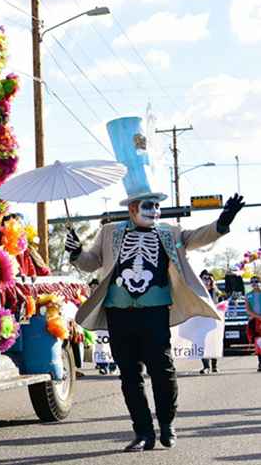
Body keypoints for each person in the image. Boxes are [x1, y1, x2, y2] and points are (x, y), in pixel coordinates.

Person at [65, 192, 244, 452]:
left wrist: (223, 221)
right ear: (132, 208)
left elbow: (198, 237)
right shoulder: (109, 231)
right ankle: (143, 432)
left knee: (163, 372)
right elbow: (91, 262)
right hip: (119, 313)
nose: (155, 210)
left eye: (158, 206)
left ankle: (167, 424)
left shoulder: (170, 231)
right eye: (149, 206)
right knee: (129, 376)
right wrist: (76, 251)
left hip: (154, 313)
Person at [199, 270, 221, 374]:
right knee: (202, 343)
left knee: (213, 342)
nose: (207, 281)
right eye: (204, 278)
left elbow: (222, 303)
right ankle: (206, 366)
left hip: (213, 321)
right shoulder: (197, 291)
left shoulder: (216, 291)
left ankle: (214, 366)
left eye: (209, 278)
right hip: (201, 320)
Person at [246, 276, 261, 372]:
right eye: (252, 282)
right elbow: (247, 309)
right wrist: (257, 316)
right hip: (255, 321)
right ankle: (260, 363)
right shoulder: (248, 295)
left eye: (256, 281)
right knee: (259, 343)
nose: (254, 283)